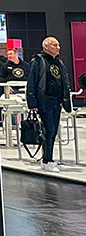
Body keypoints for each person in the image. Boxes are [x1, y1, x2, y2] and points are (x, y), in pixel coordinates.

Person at [27, 36, 71, 172]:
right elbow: (32, 82)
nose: (58, 48)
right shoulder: (38, 61)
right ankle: (47, 160)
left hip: (57, 101)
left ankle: (49, 159)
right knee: (49, 130)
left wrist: (65, 99)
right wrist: (32, 102)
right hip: (44, 101)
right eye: (54, 45)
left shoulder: (59, 62)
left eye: (58, 45)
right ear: (46, 47)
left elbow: (64, 81)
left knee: (53, 131)